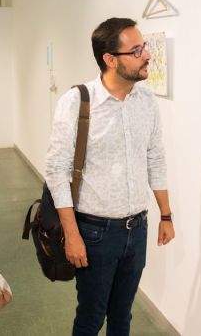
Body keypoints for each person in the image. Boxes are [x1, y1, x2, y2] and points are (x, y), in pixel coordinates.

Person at [46, 17, 176, 335]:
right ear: (110, 59)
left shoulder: (146, 101)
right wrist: (72, 235)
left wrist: (166, 214)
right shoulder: (77, 102)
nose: (147, 55)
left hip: (137, 228)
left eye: (145, 47)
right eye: (136, 51)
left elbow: (155, 158)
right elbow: (57, 171)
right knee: (91, 318)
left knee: (122, 316)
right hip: (95, 233)